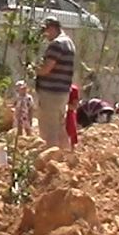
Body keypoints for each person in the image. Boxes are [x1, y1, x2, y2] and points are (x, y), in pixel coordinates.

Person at [33, 16, 76, 149]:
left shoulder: (56, 44)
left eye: (45, 31)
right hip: (62, 92)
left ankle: (51, 160)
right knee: (60, 129)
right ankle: (65, 158)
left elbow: (46, 69)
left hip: (50, 93)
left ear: (52, 28)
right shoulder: (69, 42)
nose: (45, 35)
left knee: (48, 131)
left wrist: (33, 69)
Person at [66, 83, 81, 150]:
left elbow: (74, 106)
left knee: (70, 136)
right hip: (57, 115)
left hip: (68, 116)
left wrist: (64, 106)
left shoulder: (73, 89)